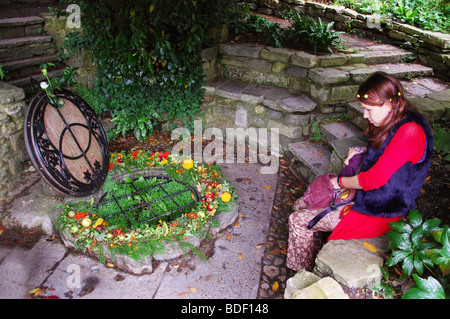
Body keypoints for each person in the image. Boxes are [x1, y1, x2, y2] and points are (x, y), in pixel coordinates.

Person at [286, 71, 434, 271]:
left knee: (298, 220)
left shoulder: (410, 131)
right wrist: (361, 151)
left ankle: (302, 274)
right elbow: (391, 153)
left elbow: (374, 179)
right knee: (300, 204)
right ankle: (313, 253)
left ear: (388, 105)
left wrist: (340, 183)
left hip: (379, 210)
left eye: (368, 110)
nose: (365, 115)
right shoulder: (394, 119)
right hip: (366, 196)